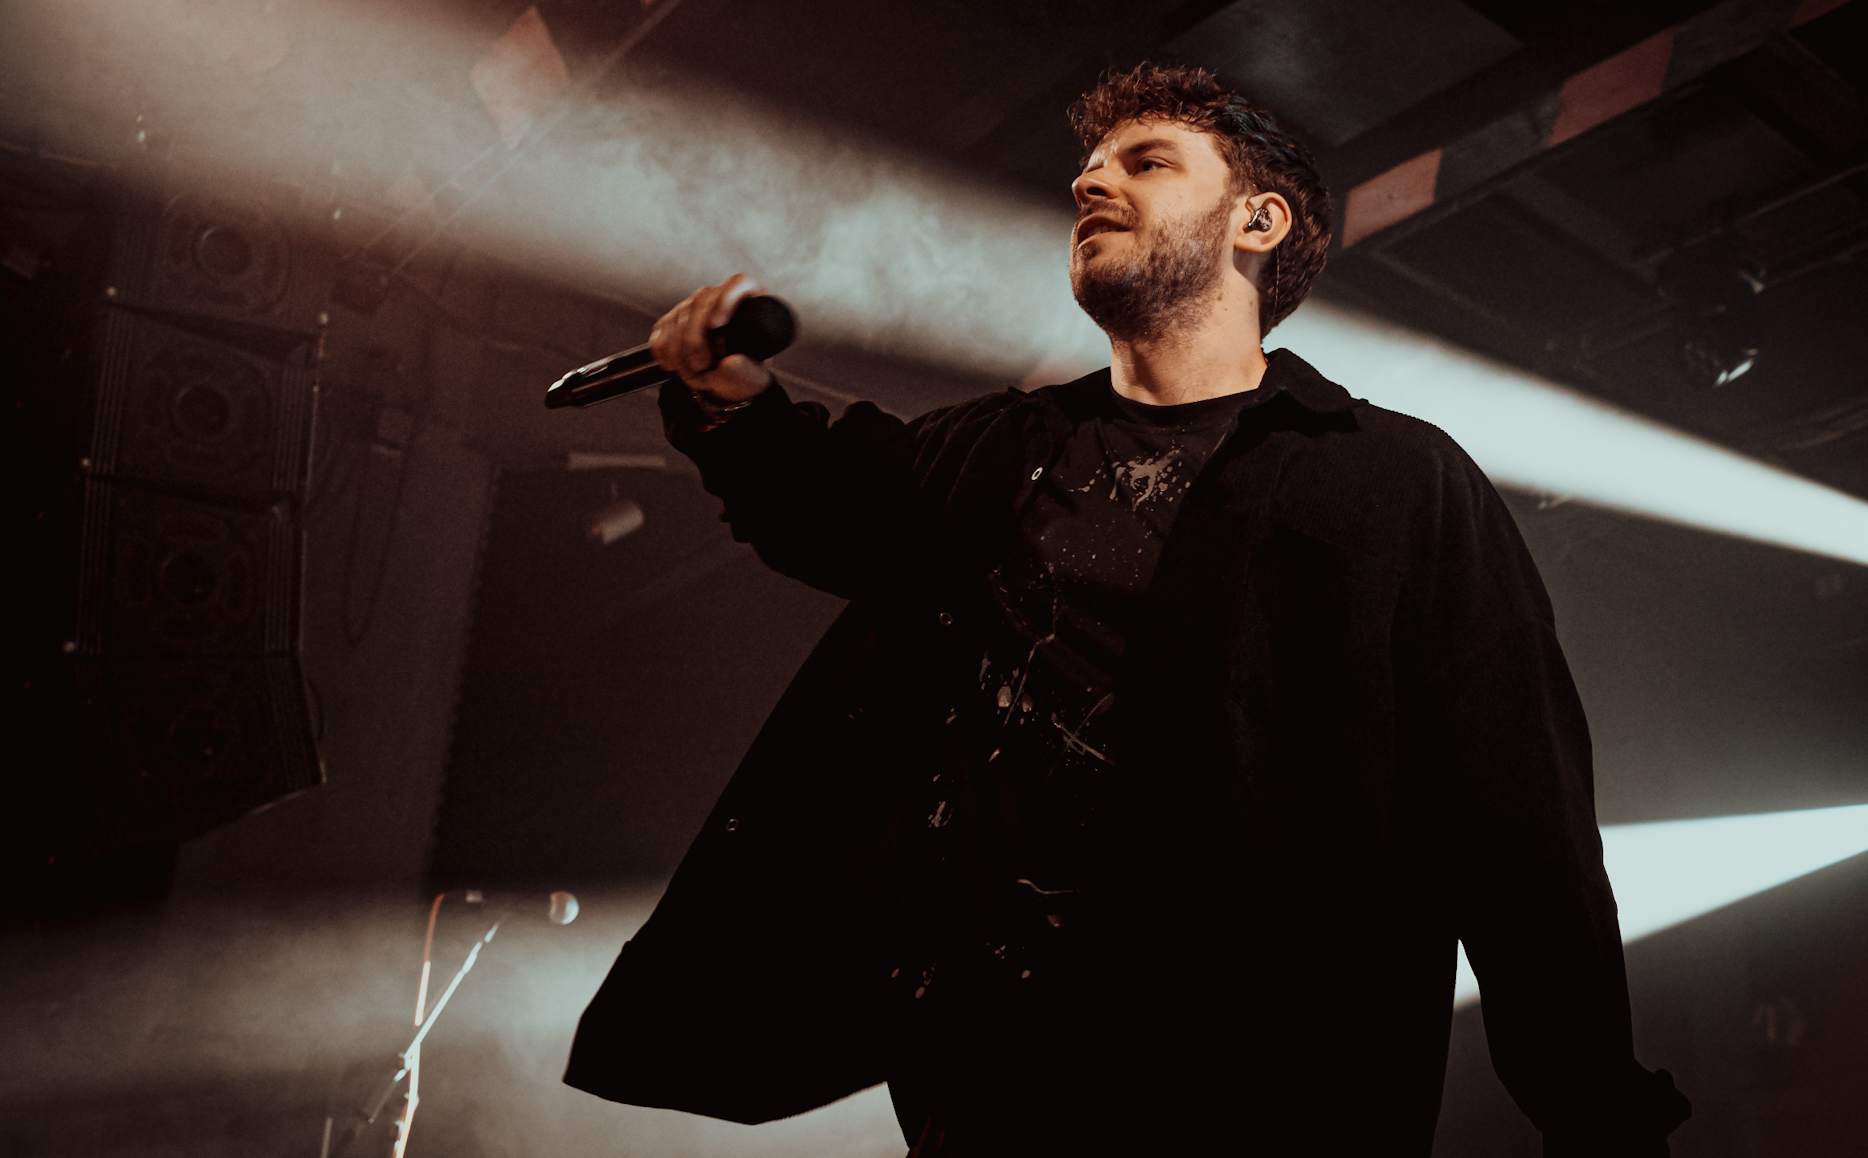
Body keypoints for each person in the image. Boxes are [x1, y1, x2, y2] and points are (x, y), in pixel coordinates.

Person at [563, 65, 1690, 1155]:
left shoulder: (1393, 480)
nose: (1090, 182)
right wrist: (731, 402)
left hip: (1260, 1091)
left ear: (1257, 220)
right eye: (1089, 171)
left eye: (1145, 162)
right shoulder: (996, 450)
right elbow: (830, 507)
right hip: (989, 1080)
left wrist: (1593, 1106)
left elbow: (1514, 808)